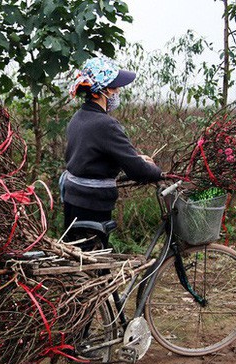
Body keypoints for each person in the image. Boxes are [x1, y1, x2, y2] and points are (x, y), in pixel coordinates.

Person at [61, 56, 165, 247]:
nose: (118, 92)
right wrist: (160, 173)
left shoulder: (79, 117)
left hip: (73, 200)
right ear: (106, 90)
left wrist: (135, 158)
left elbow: (91, 157)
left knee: (79, 260)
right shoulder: (105, 124)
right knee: (92, 262)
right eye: (116, 87)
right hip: (92, 205)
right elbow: (138, 171)